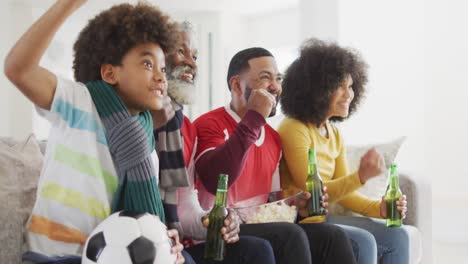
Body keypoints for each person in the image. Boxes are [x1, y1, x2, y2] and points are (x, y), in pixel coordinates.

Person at [4, 1, 185, 263]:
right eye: (147, 64)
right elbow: (18, 69)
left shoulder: (145, 142)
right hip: (54, 256)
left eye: (163, 69)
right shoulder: (79, 102)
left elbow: (140, 223)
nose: (161, 77)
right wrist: (68, 5)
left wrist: (163, 243)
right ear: (110, 73)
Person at [193, 47, 357, 264]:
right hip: (219, 231)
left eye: (278, 79)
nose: (275, 87)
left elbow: (272, 203)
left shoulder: (273, 138)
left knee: (331, 236)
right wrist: (254, 118)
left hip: (257, 226)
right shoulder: (209, 124)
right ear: (236, 85)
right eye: (265, 78)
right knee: (290, 236)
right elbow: (217, 179)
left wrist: (298, 208)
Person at [152, 21, 275, 264]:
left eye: (195, 55)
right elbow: (218, 176)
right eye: (181, 51)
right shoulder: (204, 124)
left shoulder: (185, 127)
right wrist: (254, 119)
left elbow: (185, 206)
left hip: (177, 238)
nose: (192, 63)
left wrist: (212, 222)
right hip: (151, 238)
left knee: (258, 250)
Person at [278, 38, 410, 264]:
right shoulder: (293, 128)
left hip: (323, 219)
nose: (349, 94)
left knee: (398, 235)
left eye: (350, 86)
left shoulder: (334, 133)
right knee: (365, 242)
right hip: (300, 221)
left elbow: (345, 193)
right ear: (317, 88)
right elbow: (313, 193)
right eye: (340, 86)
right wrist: (360, 177)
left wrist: (379, 209)